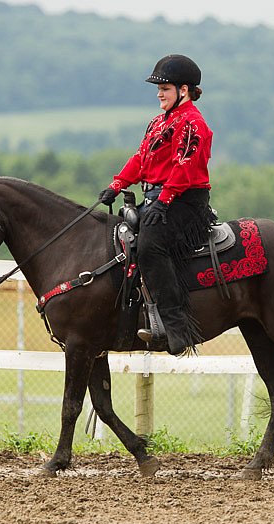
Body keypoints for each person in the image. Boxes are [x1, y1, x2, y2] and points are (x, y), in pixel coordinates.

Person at [98, 54, 215, 355]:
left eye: (165, 88)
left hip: (184, 202)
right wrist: (117, 185)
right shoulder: (157, 123)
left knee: (150, 246)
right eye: (159, 88)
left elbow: (185, 167)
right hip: (159, 200)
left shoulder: (193, 123)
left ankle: (175, 327)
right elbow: (140, 159)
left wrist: (163, 201)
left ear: (184, 90)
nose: (159, 94)